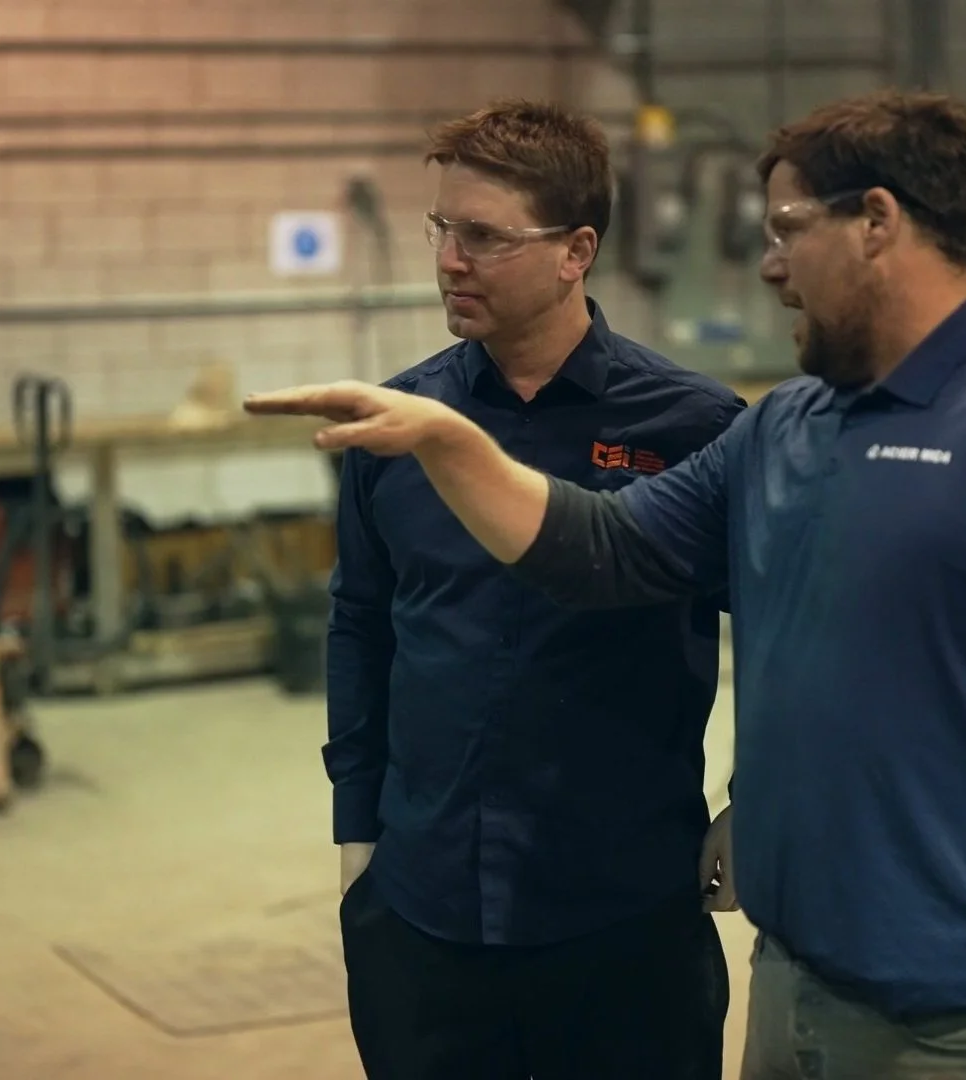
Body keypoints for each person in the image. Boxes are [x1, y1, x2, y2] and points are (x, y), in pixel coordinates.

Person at [247, 90, 966, 1080]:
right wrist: (448, 440)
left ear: (876, 222)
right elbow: (604, 549)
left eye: (788, 230)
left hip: (961, 1007)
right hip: (792, 980)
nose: (771, 264)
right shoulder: (785, 426)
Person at [312, 99, 742, 1080]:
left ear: (575, 251)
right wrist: (357, 830)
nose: (449, 260)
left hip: (625, 912)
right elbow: (361, 625)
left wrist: (757, 796)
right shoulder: (401, 423)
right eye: (442, 230)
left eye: (484, 238)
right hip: (424, 913)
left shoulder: (694, 427)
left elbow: (788, 630)